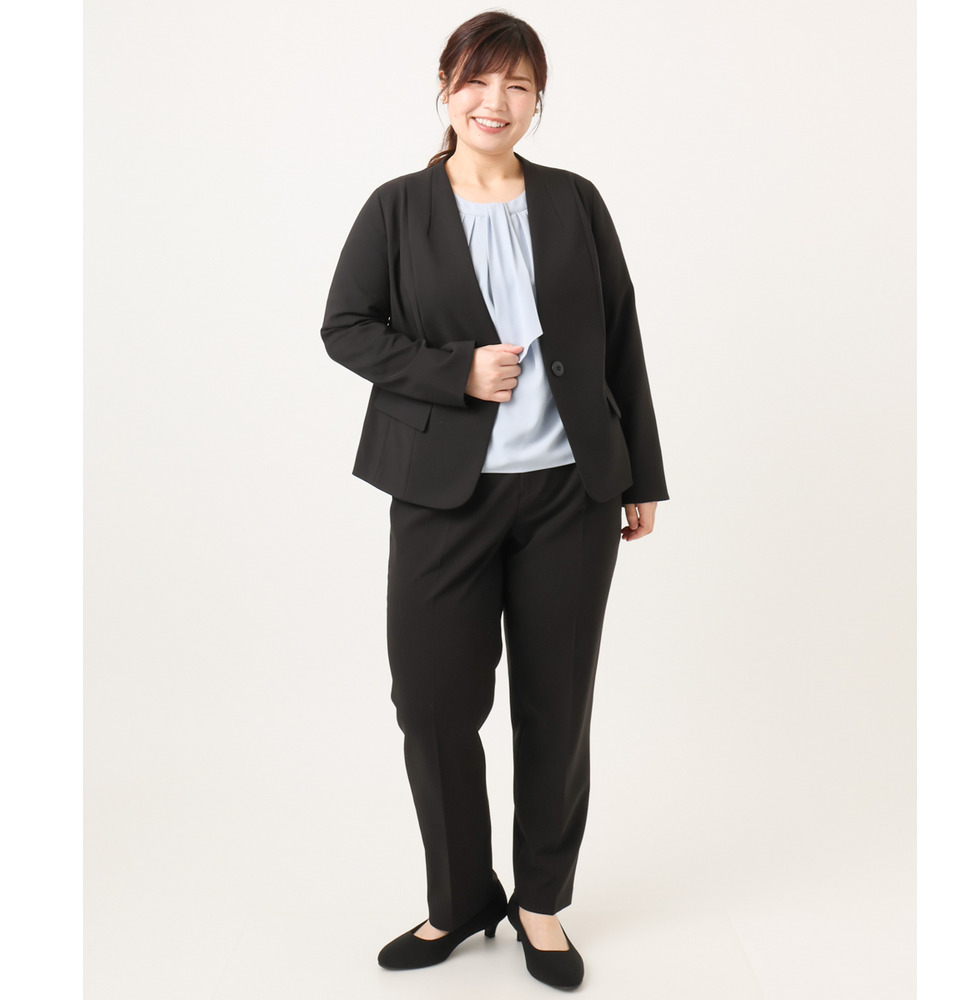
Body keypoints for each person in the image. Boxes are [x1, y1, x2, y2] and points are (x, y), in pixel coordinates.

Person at [320, 10, 668, 990]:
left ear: (537, 100)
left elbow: (621, 333)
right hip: (444, 497)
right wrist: (454, 372)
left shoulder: (574, 201)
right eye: (477, 80)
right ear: (445, 88)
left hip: (570, 494)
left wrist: (640, 474)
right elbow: (345, 326)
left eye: (517, 85)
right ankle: (461, 895)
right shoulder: (398, 208)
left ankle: (539, 902)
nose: (495, 101)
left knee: (556, 709)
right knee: (432, 706)